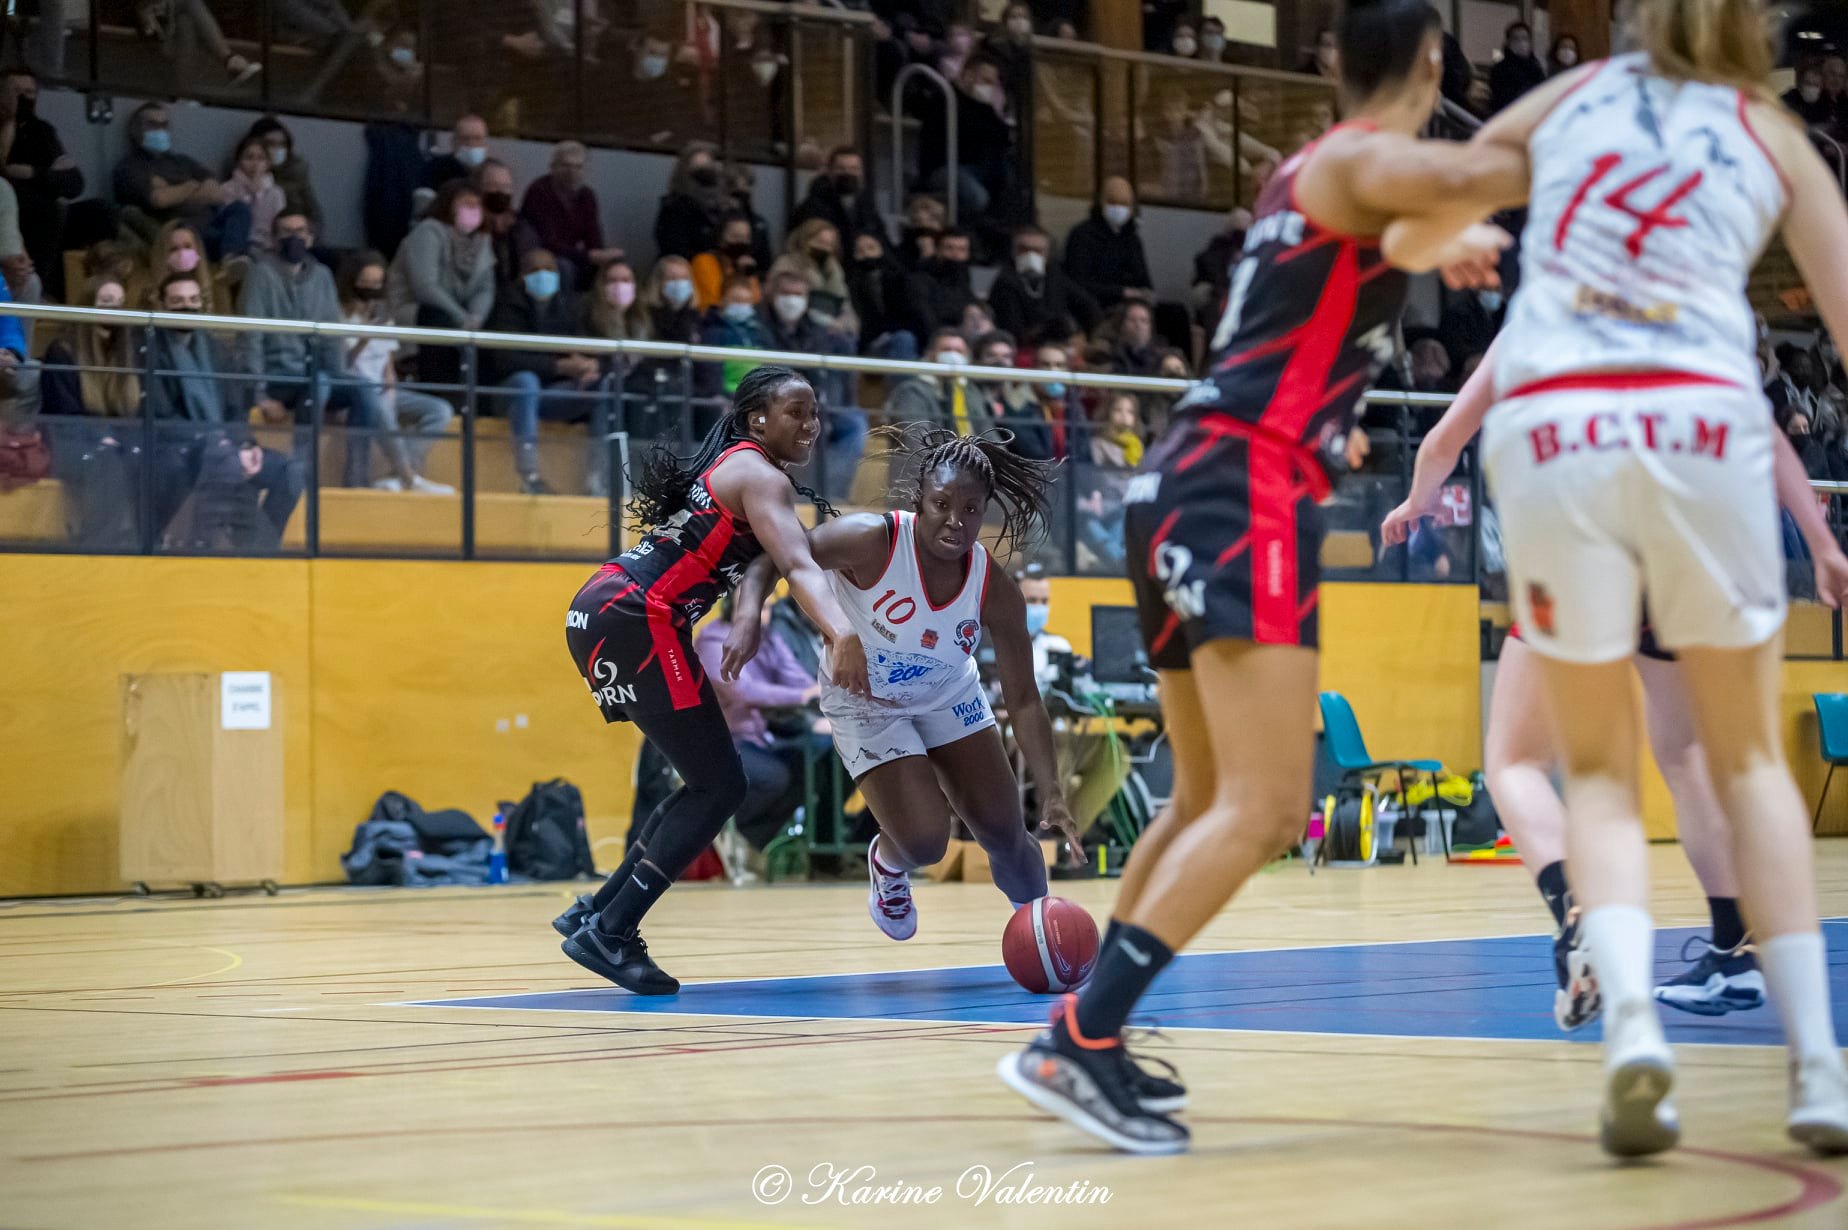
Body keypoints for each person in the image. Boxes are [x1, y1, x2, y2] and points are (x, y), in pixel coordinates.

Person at [995, 0, 1521, 1154]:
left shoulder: (1311, 179)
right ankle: (1079, 1040)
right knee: (1273, 805)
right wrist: (1632, 96)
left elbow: (1388, 240)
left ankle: (1094, 1032)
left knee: (1197, 799)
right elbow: (1490, 161)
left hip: (1185, 483)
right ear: (1432, 62)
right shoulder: (1364, 154)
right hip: (1241, 489)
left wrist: (1445, 240)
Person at [1395, 0, 1848, 1158]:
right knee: (1743, 760)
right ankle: (1819, 1068)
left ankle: (1638, 1028)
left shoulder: (1566, 100)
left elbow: (1417, 209)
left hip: (1557, 436)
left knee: (1595, 773)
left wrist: (1433, 241)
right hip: (1702, 421)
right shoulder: (1770, 133)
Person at [1383, 337, 1848, 1026]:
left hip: (1581, 542)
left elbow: (1446, 439)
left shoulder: (1541, 320)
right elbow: (1767, 437)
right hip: (1680, 550)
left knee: (1514, 760)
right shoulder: (1682, 314)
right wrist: (1821, 541)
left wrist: (1418, 501)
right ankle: (1735, 949)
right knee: (1688, 756)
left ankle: (1577, 909)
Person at [555, 366, 876, 993]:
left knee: (704, 779)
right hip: (637, 614)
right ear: (758, 417)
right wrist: (844, 631)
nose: (812, 425)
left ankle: (596, 912)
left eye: (816, 413)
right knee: (720, 784)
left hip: (604, 607)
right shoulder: (761, 476)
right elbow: (800, 567)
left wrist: (750, 614)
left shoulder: (737, 464)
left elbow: (751, 561)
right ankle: (612, 930)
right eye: (797, 412)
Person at [731, 425, 1086, 940]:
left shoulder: (994, 586)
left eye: (970, 510)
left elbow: (1025, 700)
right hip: (865, 701)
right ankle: (888, 861)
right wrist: (746, 616)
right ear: (920, 498)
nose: (955, 521)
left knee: (1008, 836)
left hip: (947, 694)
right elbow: (777, 558)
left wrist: (1052, 790)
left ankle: (1043, 937)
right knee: (925, 843)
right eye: (942, 504)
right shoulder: (871, 539)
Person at [238, 211, 380, 489]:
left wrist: (339, 380)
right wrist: (259, 393)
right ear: (275, 238)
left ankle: (357, 478)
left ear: (311, 237)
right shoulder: (260, 274)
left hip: (317, 378)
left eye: (301, 231)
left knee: (362, 389)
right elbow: (250, 337)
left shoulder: (323, 276)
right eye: (286, 231)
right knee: (321, 382)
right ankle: (301, 473)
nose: (295, 237)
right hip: (279, 377)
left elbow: (331, 336)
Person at [693, 593, 827, 851]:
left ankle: (747, 842)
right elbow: (743, 691)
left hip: (758, 739)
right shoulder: (713, 639)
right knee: (773, 778)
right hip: (720, 742)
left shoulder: (767, 638)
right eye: (756, 606)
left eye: (765, 607)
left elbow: (795, 677)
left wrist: (822, 690)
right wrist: (802, 695)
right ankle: (715, 833)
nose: (762, 614)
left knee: (808, 771)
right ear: (732, 606)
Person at [335, 250, 454, 495]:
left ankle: (396, 477)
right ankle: (409, 477)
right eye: (366, 283)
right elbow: (340, 365)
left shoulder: (383, 314)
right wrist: (362, 340)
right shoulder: (338, 315)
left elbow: (387, 363)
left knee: (440, 410)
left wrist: (390, 386)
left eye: (377, 284)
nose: (371, 289)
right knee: (376, 404)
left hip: (384, 388)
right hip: (355, 392)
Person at [484, 248, 595, 494]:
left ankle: (602, 478)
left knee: (604, 386)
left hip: (548, 395)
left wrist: (588, 365)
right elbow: (505, 360)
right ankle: (529, 476)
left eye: (549, 270)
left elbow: (582, 346)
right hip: (508, 393)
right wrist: (559, 366)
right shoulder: (507, 304)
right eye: (535, 270)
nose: (543, 275)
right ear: (522, 275)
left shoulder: (567, 305)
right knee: (526, 382)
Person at [385, 180, 495, 390]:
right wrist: (461, 317)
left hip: (463, 315)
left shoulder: (483, 241)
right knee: (438, 320)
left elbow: (485, 287)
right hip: (415, 311)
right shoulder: (428, 232)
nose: (472, 210)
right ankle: (440, 392)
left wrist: (477, 317)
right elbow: (425, 286)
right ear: (448, 205)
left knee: (494, 326)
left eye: (476, 205)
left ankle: (482, 402)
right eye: (465, 204)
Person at [112, 102, 250, 259]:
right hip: (181, 235)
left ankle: (230, 260)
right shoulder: (129, 167)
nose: (160, 130)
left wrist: (174, 191)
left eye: (164, 125)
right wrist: (193, 184)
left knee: (239, 209)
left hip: (213, 228)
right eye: (152, 125)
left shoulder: (182, 161)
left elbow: (217, 194)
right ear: (135, 130)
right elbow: (159, 200)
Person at [0, 66, 81, 299]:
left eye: (30, 92)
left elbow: (74, 183)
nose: (24, 98)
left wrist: (34, 173)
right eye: (16, 91)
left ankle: (51, 289)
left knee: (99, 212)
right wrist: (8, 124)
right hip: (14, 203)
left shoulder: (42, 131)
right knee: (40, 207)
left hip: (42, 201)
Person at [521, 141, 621, 291]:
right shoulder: (539, 191)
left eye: (578, 166)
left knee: (615, 267)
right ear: (553, 167)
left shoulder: (587, 196)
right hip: (541, 255)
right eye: (566, 165)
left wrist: (603, 256)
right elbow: (548, 242)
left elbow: (594, 237)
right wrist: (588, 256)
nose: (572, 171)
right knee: (564, 267)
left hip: (573, 255)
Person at [988, 225, 1101, 346]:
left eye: (1037, 250)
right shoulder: (1003, 279)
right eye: (1023, 249)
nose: (1030, 255)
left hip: (1058, 342)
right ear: (1013, 250)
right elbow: (1012, 325)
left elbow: (1088, 305)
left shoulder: (1055, 275)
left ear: (1047, 253)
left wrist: (1086, 337)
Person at [1062, 177, 1153, 311]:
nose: (1118, 208)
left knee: (1176, 313)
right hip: (1095, 305)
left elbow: (1144, 280)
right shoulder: (1082, 235)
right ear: (1101, 202)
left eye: (1124, 204)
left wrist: (1145, 293)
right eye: (1112, 202)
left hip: (1131, 305)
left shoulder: (1132, 239)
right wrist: (1122, 292)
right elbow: (1078, 283)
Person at [791, 147, 885, 247]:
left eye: (854, 168)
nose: (848, 173)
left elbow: (881, 238)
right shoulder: (812, 207)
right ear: (830, 171)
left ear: (861, 172)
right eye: (841, 168)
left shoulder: (866, 205)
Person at [846, 230, 918, 359]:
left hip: (897, 335)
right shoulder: (849, 282)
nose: (866, 254)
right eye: (860, 251)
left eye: (871, 248)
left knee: (904, 338)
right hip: (867, 344)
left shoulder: (900, 279)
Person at [244, 116, 324, 230]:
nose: (277, 149)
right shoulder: (244, 171)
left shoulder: (296, 173)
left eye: (282, 144)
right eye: (270, 143)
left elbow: (315, 216)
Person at [654, 142, 727, 261]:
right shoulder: (674, 208)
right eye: (698, 170)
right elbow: (673, 248)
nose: (704, 176)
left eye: (707, 168)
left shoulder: (723, 207)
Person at [884, 326, 967, 429]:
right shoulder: (912, 391)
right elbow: (916, 439)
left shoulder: (968, 390)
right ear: (929, 354)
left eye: (959, 351)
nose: (953, 356)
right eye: (946, 350)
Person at [905, 226, 978, 333]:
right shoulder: (918, 280)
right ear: (937, 251)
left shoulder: (966, 282)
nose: (956, 255)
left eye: (962, 250)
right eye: (949, 248)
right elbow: (925, 319)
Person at [222, 136, 285, 255]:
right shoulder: (227, 189)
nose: (255, 164)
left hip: (268, 249)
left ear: (268, 163)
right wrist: (251, 192)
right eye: (249, 158)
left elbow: (278, 227)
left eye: (261, 158)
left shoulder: (276, 192)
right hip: (240, 247)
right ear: (239, 161)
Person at [690, 213, 760, 313]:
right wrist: (737, 275)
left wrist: (746, 274)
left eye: (746, 238)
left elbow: (755, 303)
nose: (741, 242)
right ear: (720, 239)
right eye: (735, 237)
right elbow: (711, 304)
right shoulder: (704, 261)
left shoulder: (745, 264)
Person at [1488, 21, 1546, 114]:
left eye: (1524, 38)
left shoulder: (1536, 66)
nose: (1521, 42)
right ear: (1508, 42)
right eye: (1516, 39)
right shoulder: (1500, 69)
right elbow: (1503, 98)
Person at [425, 113, 490, 191]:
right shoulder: (435, 170)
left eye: (478, 139)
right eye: (465, 138)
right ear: (453, 142)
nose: (472, 143)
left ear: (486, 144)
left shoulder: (492, 172)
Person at [1783, 63, 1835, 128]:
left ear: (1821, 87)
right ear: (1800, 84)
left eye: (1816, 85)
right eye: (1808, 83)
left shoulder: (1827, 107)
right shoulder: (1787, 100)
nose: (1811, 88)